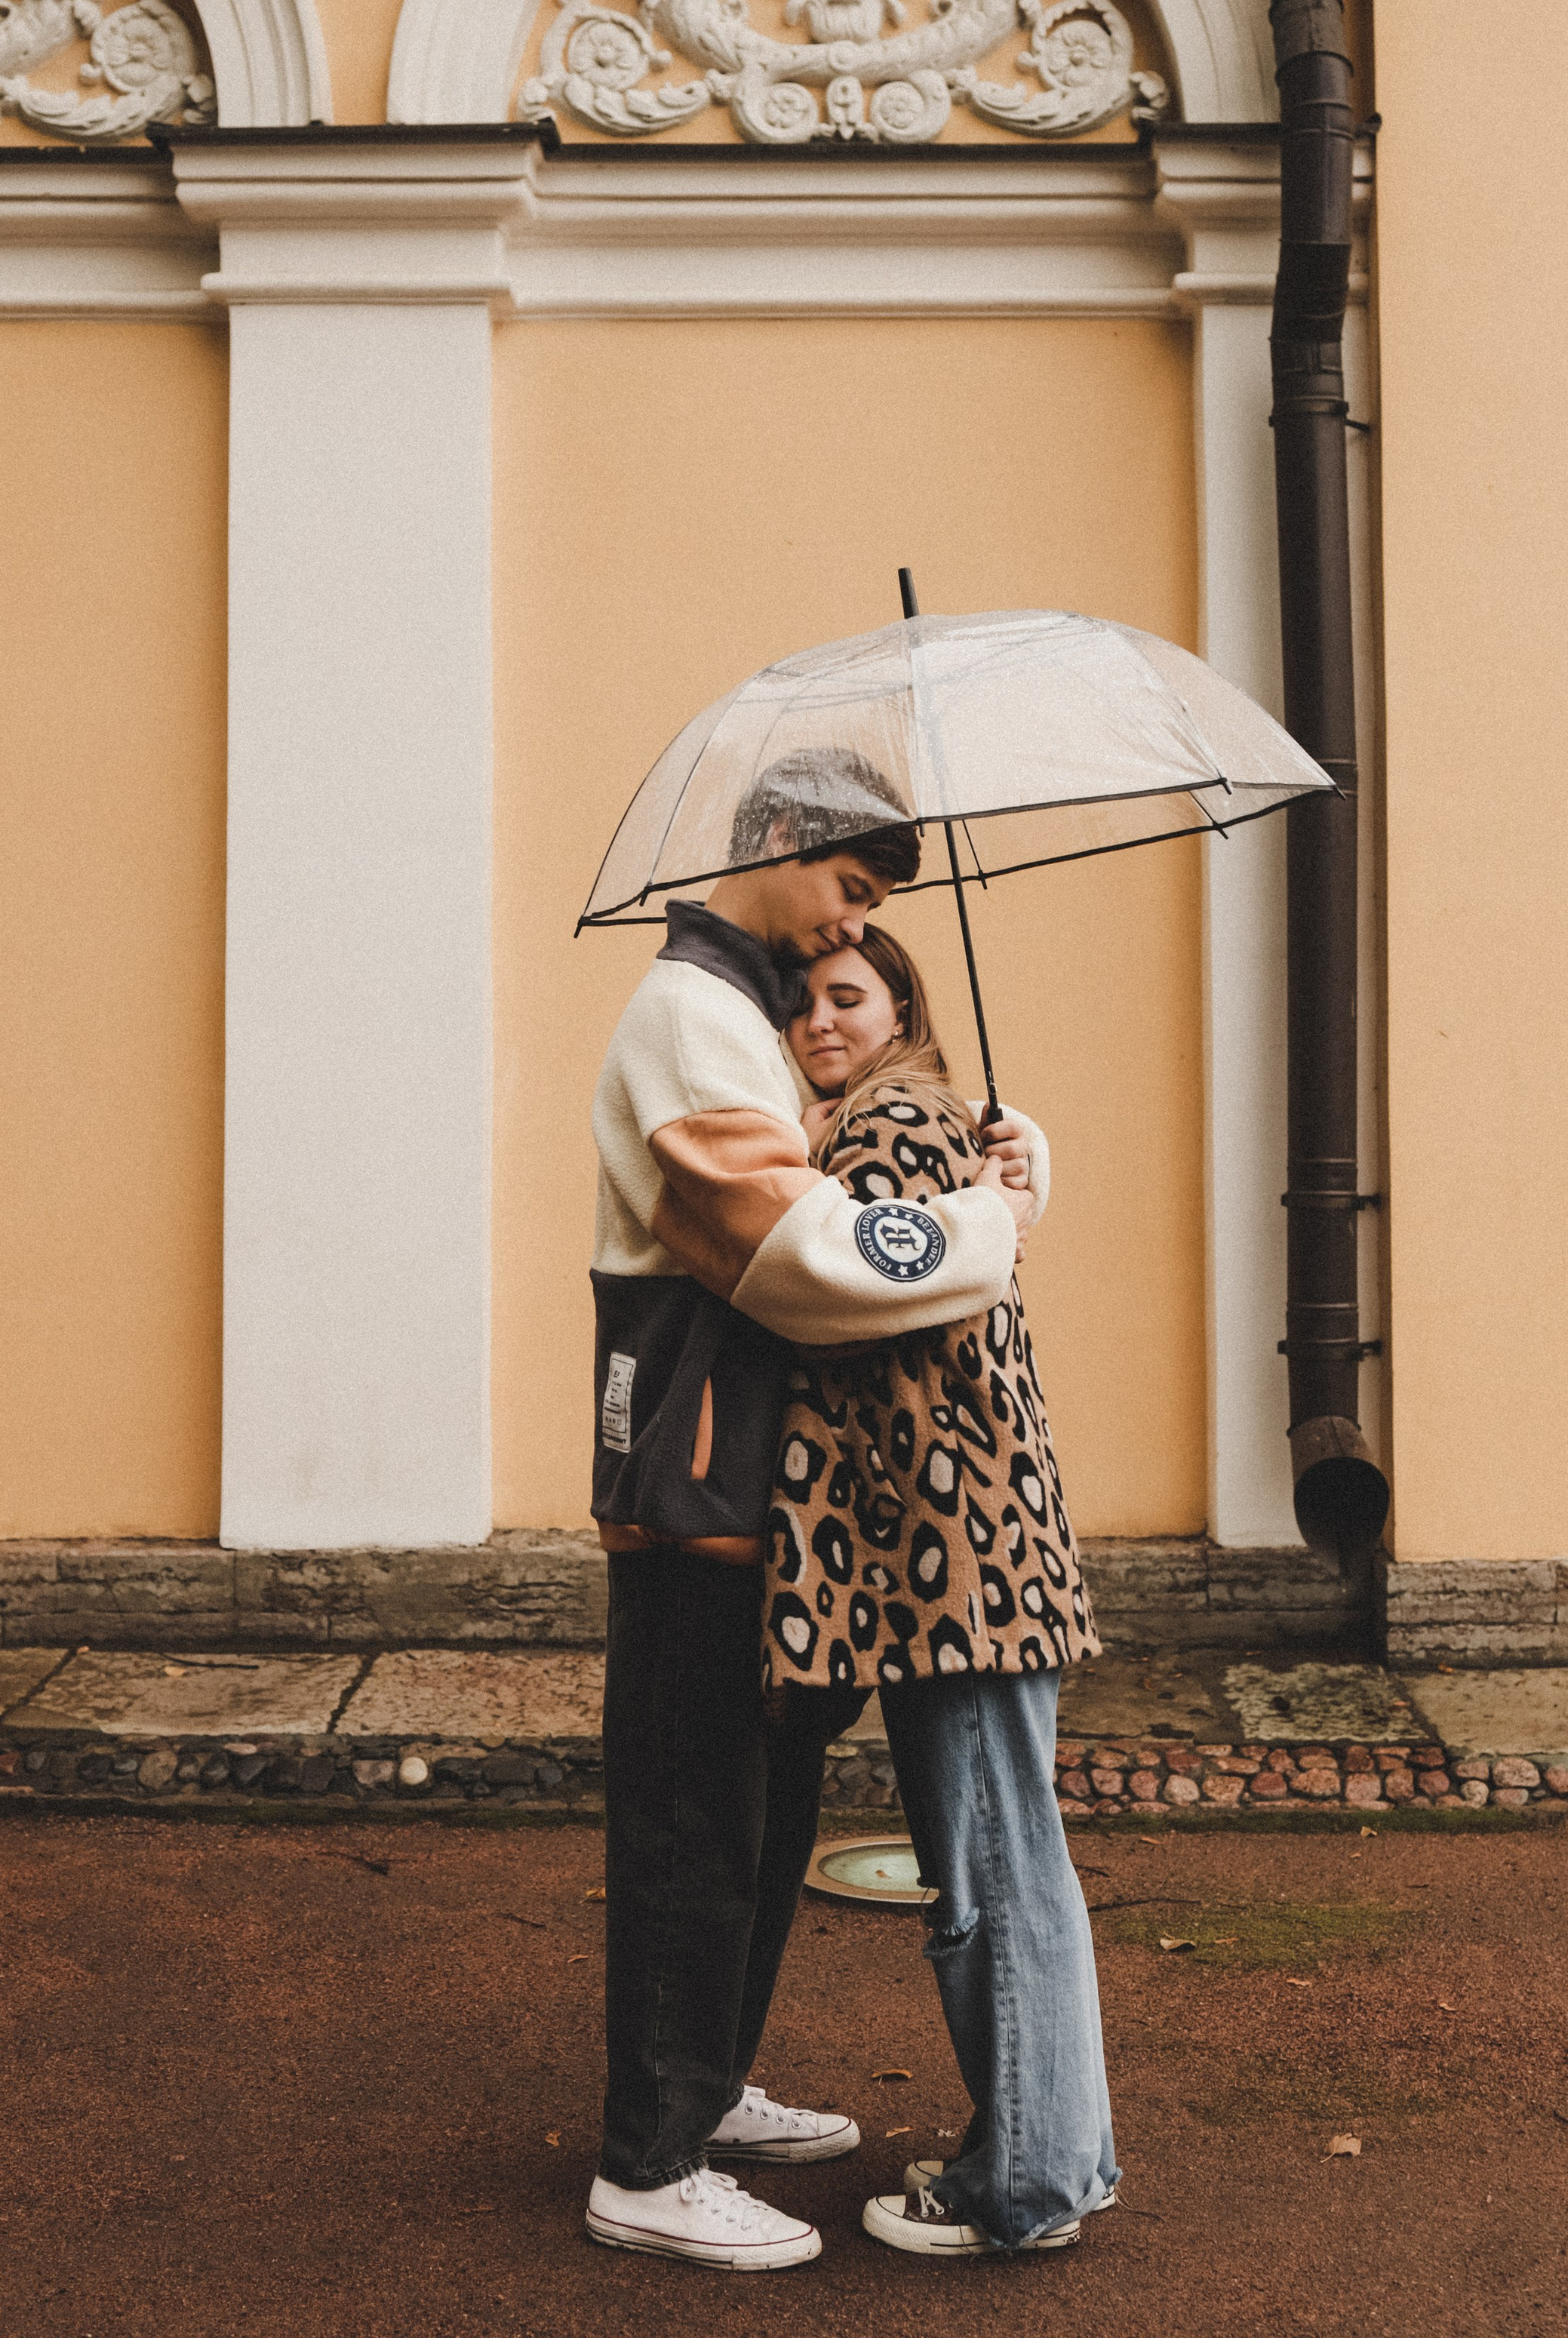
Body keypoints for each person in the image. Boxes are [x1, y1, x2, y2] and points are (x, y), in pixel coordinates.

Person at [584, 749, 1039, 2272]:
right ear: (777, 840)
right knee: (689, 1820)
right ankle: (647, 2167)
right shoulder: (690, 1018)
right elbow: (804, 1259)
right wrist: (995, 1220)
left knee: (758, 1820)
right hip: (696, 1494)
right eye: (848, 885)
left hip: (753, 1501)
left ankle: (701, 2095)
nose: (849, 923)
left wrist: (986, 1161)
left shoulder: (738, 1017)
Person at [767, 924, 1118, 2259]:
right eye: (801, 1004)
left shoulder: (895, 1124)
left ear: (902, 1005)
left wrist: (811, 1155)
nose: (820, 1021)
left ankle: (1026, 2185)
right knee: (1013, 1863)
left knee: (991, 1881)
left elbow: (861, 1278)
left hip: (954, 1566)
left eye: (847, 997)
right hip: (971, 1563)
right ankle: (1055, 2150)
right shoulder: (907, 1117)